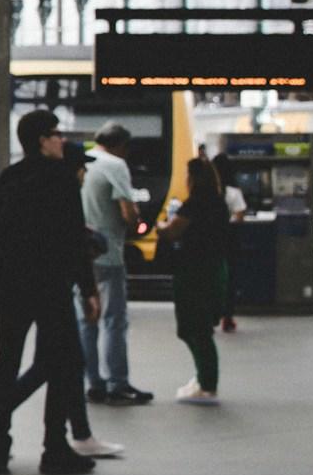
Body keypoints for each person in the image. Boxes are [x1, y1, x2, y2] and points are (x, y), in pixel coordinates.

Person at [0, 110, 102, 475]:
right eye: (57, 135)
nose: (62, 141)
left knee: (7, 363)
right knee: (63, 364)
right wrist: (89, 290)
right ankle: (54, 447)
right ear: (43, 140)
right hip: (50, 288)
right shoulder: (60, 180)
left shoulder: (7, 180)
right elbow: (73, 238)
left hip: (12, 289)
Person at [78, 122, 155, 406]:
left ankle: (93, 383)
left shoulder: (83, 162)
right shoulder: (116, 165)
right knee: (114, 320)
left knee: (86, 321)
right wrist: (135, 218)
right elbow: (127, 212)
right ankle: (118, 383)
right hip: (109, 253)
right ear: (121, 145)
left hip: (81, 254)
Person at [160, 157, 232, 404]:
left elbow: (172, 231)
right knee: (201, 327)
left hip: (194, 271)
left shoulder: (194, 204)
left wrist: (159, 226)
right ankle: (203, 378)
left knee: (194, 328)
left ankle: (207, 384)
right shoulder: (218, 203)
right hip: (214, 268)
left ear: (193, 178)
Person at [212, 152, 247, 334]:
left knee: (211, 276)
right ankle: (227, 316)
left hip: (211, 239)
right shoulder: (234, 192)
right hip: (230, 238)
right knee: (229, 277)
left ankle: (212, 314)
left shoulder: (209, 190)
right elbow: (240, 217)